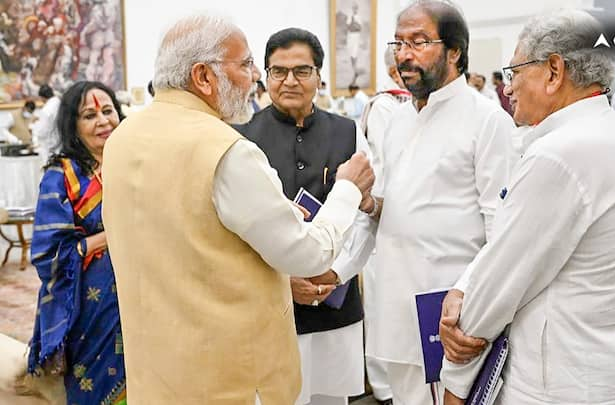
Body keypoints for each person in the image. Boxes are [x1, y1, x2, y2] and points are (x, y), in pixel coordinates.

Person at [100, 15, 374, 404]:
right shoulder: (225, 148)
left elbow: (188, 230)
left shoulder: (123, 137)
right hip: (228, 375)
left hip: (159, 369)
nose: (256, 77)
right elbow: (308, 254)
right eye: (246, 64)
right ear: (203, 76)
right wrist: (346, 189)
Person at [438, 10, 615, 405]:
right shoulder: (610, 137)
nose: (508, 89)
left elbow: (502, 281)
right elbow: (518, 241)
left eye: (514, 73)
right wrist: (463, 285)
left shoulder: (561, 155)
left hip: (564, 384)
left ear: (554, 71)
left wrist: (455, 381)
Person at [350, 2, 516, 403]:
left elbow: (504, 232)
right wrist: (368, 206)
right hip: (395, 305)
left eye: (419, 42)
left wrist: (470, 300)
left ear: (455, 51)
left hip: (450, 316)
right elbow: (391, 207)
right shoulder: (398, 120)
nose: (403, 54)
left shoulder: (487, 120)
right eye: (399, 43)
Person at [234, 27, 373, 405]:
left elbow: (364, 215)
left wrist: (335, 272)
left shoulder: (347, 132)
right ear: (264, 75)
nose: (290, 81)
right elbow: (237, 234)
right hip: (272, 311)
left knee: (331, 398)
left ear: (319, 76)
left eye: (302, 70)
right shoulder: (241, 139)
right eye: (279, 71)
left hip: (335, 307)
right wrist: (284, 279)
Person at [28, 81, 128, 405]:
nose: (103, 121)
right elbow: (48, 253)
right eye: (89, 115)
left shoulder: (134, 163)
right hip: (93, 307)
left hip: (143, 294)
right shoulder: (61, 176)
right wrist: (107, 238)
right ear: (73, 125)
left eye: (108, 110)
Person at [357, 46, 410, 405]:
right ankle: (382, 385)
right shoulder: (385, 106)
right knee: (378, 301)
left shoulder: (414, 105)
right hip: (381, 211)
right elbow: (386, 161)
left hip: (407, 216)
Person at [30, 84, 61, 164]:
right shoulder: (60, 104)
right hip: (61, 145)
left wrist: (33, 124)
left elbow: (42, 132)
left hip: (51, 148)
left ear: (41, 97)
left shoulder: (47, 110)